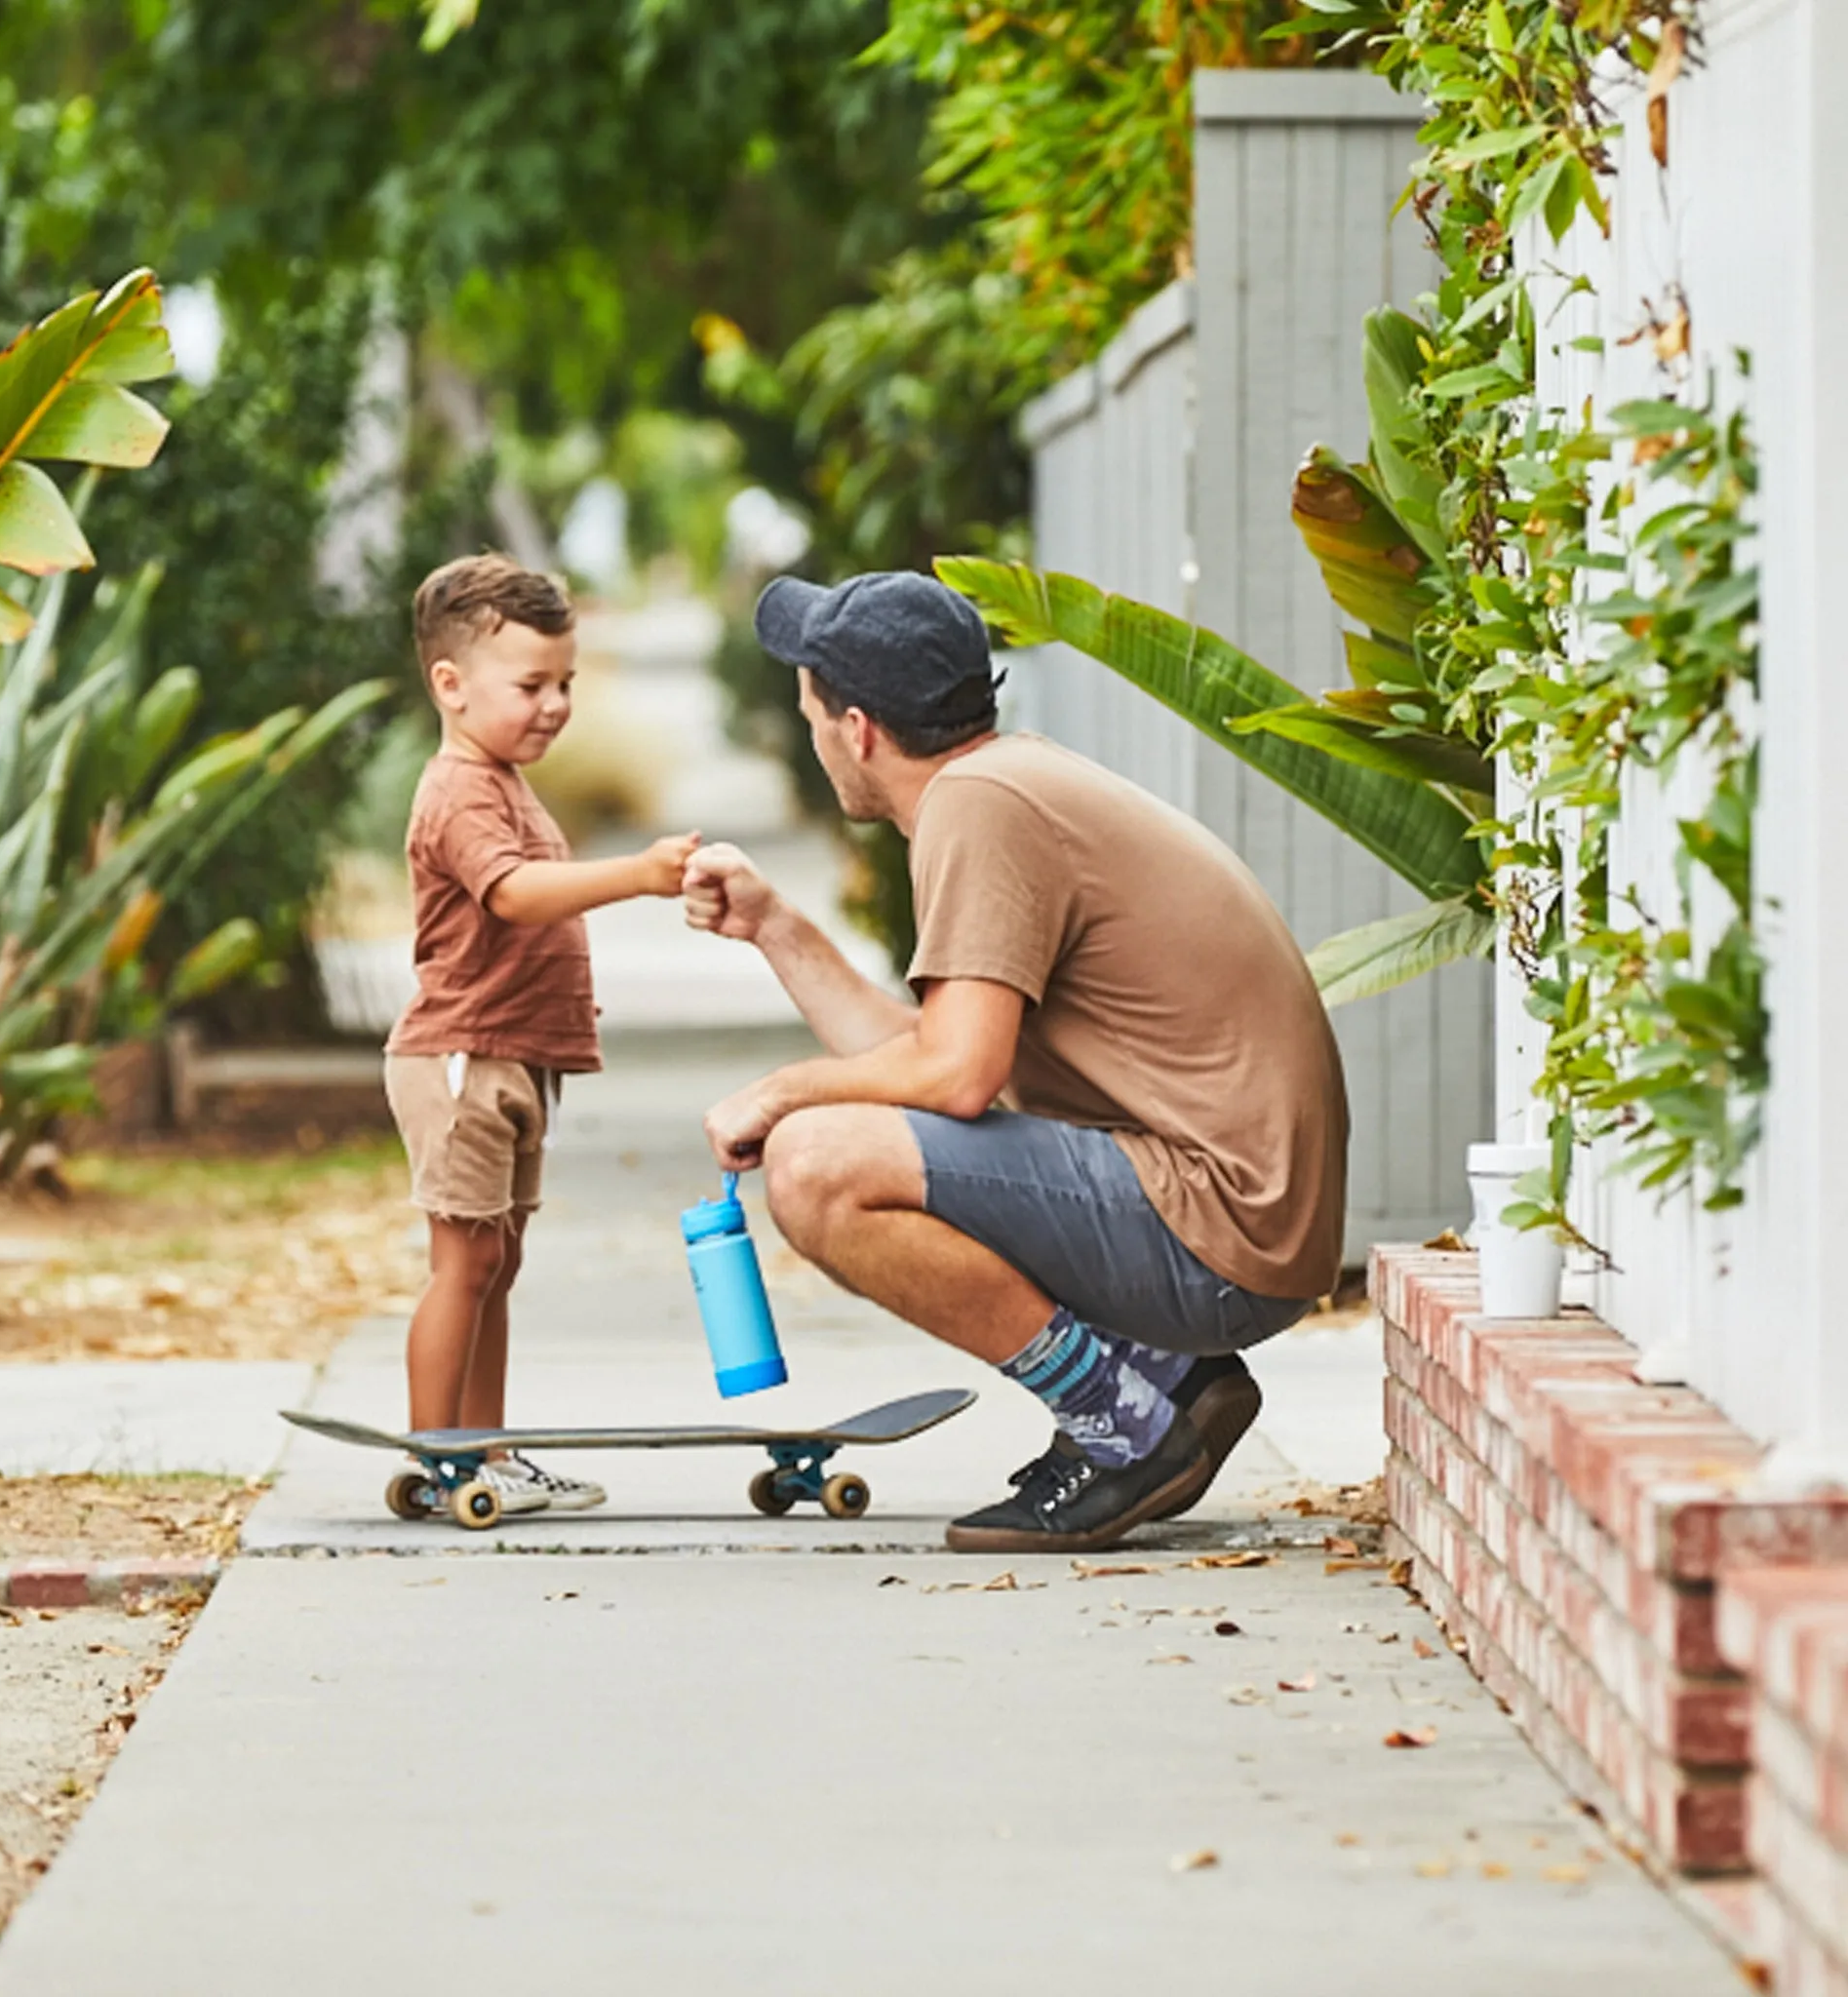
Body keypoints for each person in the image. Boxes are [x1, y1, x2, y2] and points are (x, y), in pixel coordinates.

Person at [684, 570, 1349, 1552]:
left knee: (814, 1164)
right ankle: (1165, 1381)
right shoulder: (1006, 782)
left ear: (856, 728)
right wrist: (775, 927)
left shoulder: (978, 807)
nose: (812, 728)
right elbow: (927, 1074)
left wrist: (781, 1093)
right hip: (1225, 1212)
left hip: (1220, 1229)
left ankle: (1124, 1434)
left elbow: (951, 1078)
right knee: (838, 1141)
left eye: (811, 708)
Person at [384, 555, 699, 1516]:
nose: (555, 704)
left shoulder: (506, 780)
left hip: (511, 1056)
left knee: (497, 1260)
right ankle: (441, 1458)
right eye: (531, 685)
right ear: (451, 684)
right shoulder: (460, 790)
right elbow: (514, 895)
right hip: (461, 1056)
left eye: (564, 682)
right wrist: (638, 874)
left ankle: (488, 1450)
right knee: (464, 1260)